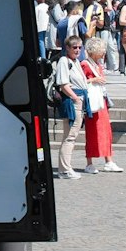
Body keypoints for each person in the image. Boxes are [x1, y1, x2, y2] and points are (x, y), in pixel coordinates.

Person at [81, 37, 123, 171]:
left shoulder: (97, 65)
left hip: (101, 100)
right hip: (92, 102)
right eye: (101, 50)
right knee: (92, 131)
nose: (103, 52)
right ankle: (89, 162)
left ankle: (108, 160)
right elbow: (81, 82)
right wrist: (94, 79)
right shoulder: (85, 65)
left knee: (106, 131)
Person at [51, 36, 87, 179]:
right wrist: (75, 98)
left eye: (79, 47)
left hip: (79, 100)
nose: (77, 50)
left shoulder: (76, 62)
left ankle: (65, 168)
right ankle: (64, 169)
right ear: (67, 48)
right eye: (74, 47)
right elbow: (63, 84)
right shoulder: (64, 62)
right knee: (70, 137)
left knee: (71, 136)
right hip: (73, 102)